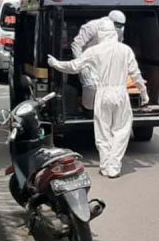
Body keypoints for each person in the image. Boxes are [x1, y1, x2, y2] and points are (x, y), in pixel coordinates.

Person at [47, 18, 148, 178]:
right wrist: (143, 93)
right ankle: (114, 166)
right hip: (121, 93)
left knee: (102, 131)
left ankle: (105, 164)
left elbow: (73, 67)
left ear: (100, 34)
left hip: (102, 93)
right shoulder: (125, 50)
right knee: (121, 130)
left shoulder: (94, 51)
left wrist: (55, 64)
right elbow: (135, 74)